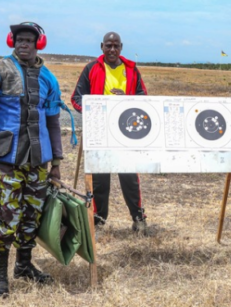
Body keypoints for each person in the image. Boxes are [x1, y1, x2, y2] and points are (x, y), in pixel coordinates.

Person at [0, 22, 62, 296]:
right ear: (12, 41)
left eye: (29, 40)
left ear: (38, 44)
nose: (23, 44)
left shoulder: (49, 79)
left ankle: (23, 265)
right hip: (5, 161)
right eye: (19, 39)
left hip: (37, 164)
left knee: (32, 217)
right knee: (6, 220)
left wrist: (56, 163)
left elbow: (54, 123)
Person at [71, 32, 148, 234]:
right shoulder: (91, 68)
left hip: (126, 133)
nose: (112, 49)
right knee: (100, 179)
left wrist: (127, 100)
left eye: (116, 46)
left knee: (130, 177)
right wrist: (93, 110)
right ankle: (98, 220)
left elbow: (143, 99)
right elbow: (76, 98)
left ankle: (138, 218)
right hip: (100, 132)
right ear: (101, 47)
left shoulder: (131, 69)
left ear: (121, 47)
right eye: (108, 45)